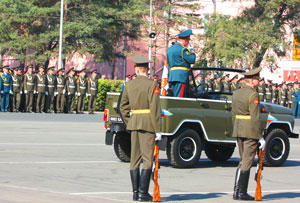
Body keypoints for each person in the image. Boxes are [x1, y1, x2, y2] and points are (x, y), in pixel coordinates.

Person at [120, 55, 162, 202]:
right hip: (148, 125)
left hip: (134, 124)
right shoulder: (152, 85)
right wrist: (158, 130)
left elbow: (122, 106)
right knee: (148, 160)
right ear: (147, 70)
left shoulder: (129, 85)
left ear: (137, 70)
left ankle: (135, 193)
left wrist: (130, 121)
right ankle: (143, 193)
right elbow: (155, 109)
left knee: (134, 160)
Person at [231, 67, 265, 201]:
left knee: (242, 161)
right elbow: (255, 117)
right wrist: (260, 136)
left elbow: (233, 113)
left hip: (239, 129)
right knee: (247, 161)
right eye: (257, 79)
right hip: (250, 131)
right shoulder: (253, 94)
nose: (258, 81)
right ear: (252, 80)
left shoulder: (236, 93)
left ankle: (236, 191)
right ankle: (241, 192)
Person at [168, 29, 196, 97]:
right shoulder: (183, 49)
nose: (188, 43)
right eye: (188, 41)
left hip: (172, 76)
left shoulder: (170, 49)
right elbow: (192, 59)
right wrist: (191, 50)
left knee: (175, 96)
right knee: (180, 98)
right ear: (185, 41)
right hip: (181, 77)